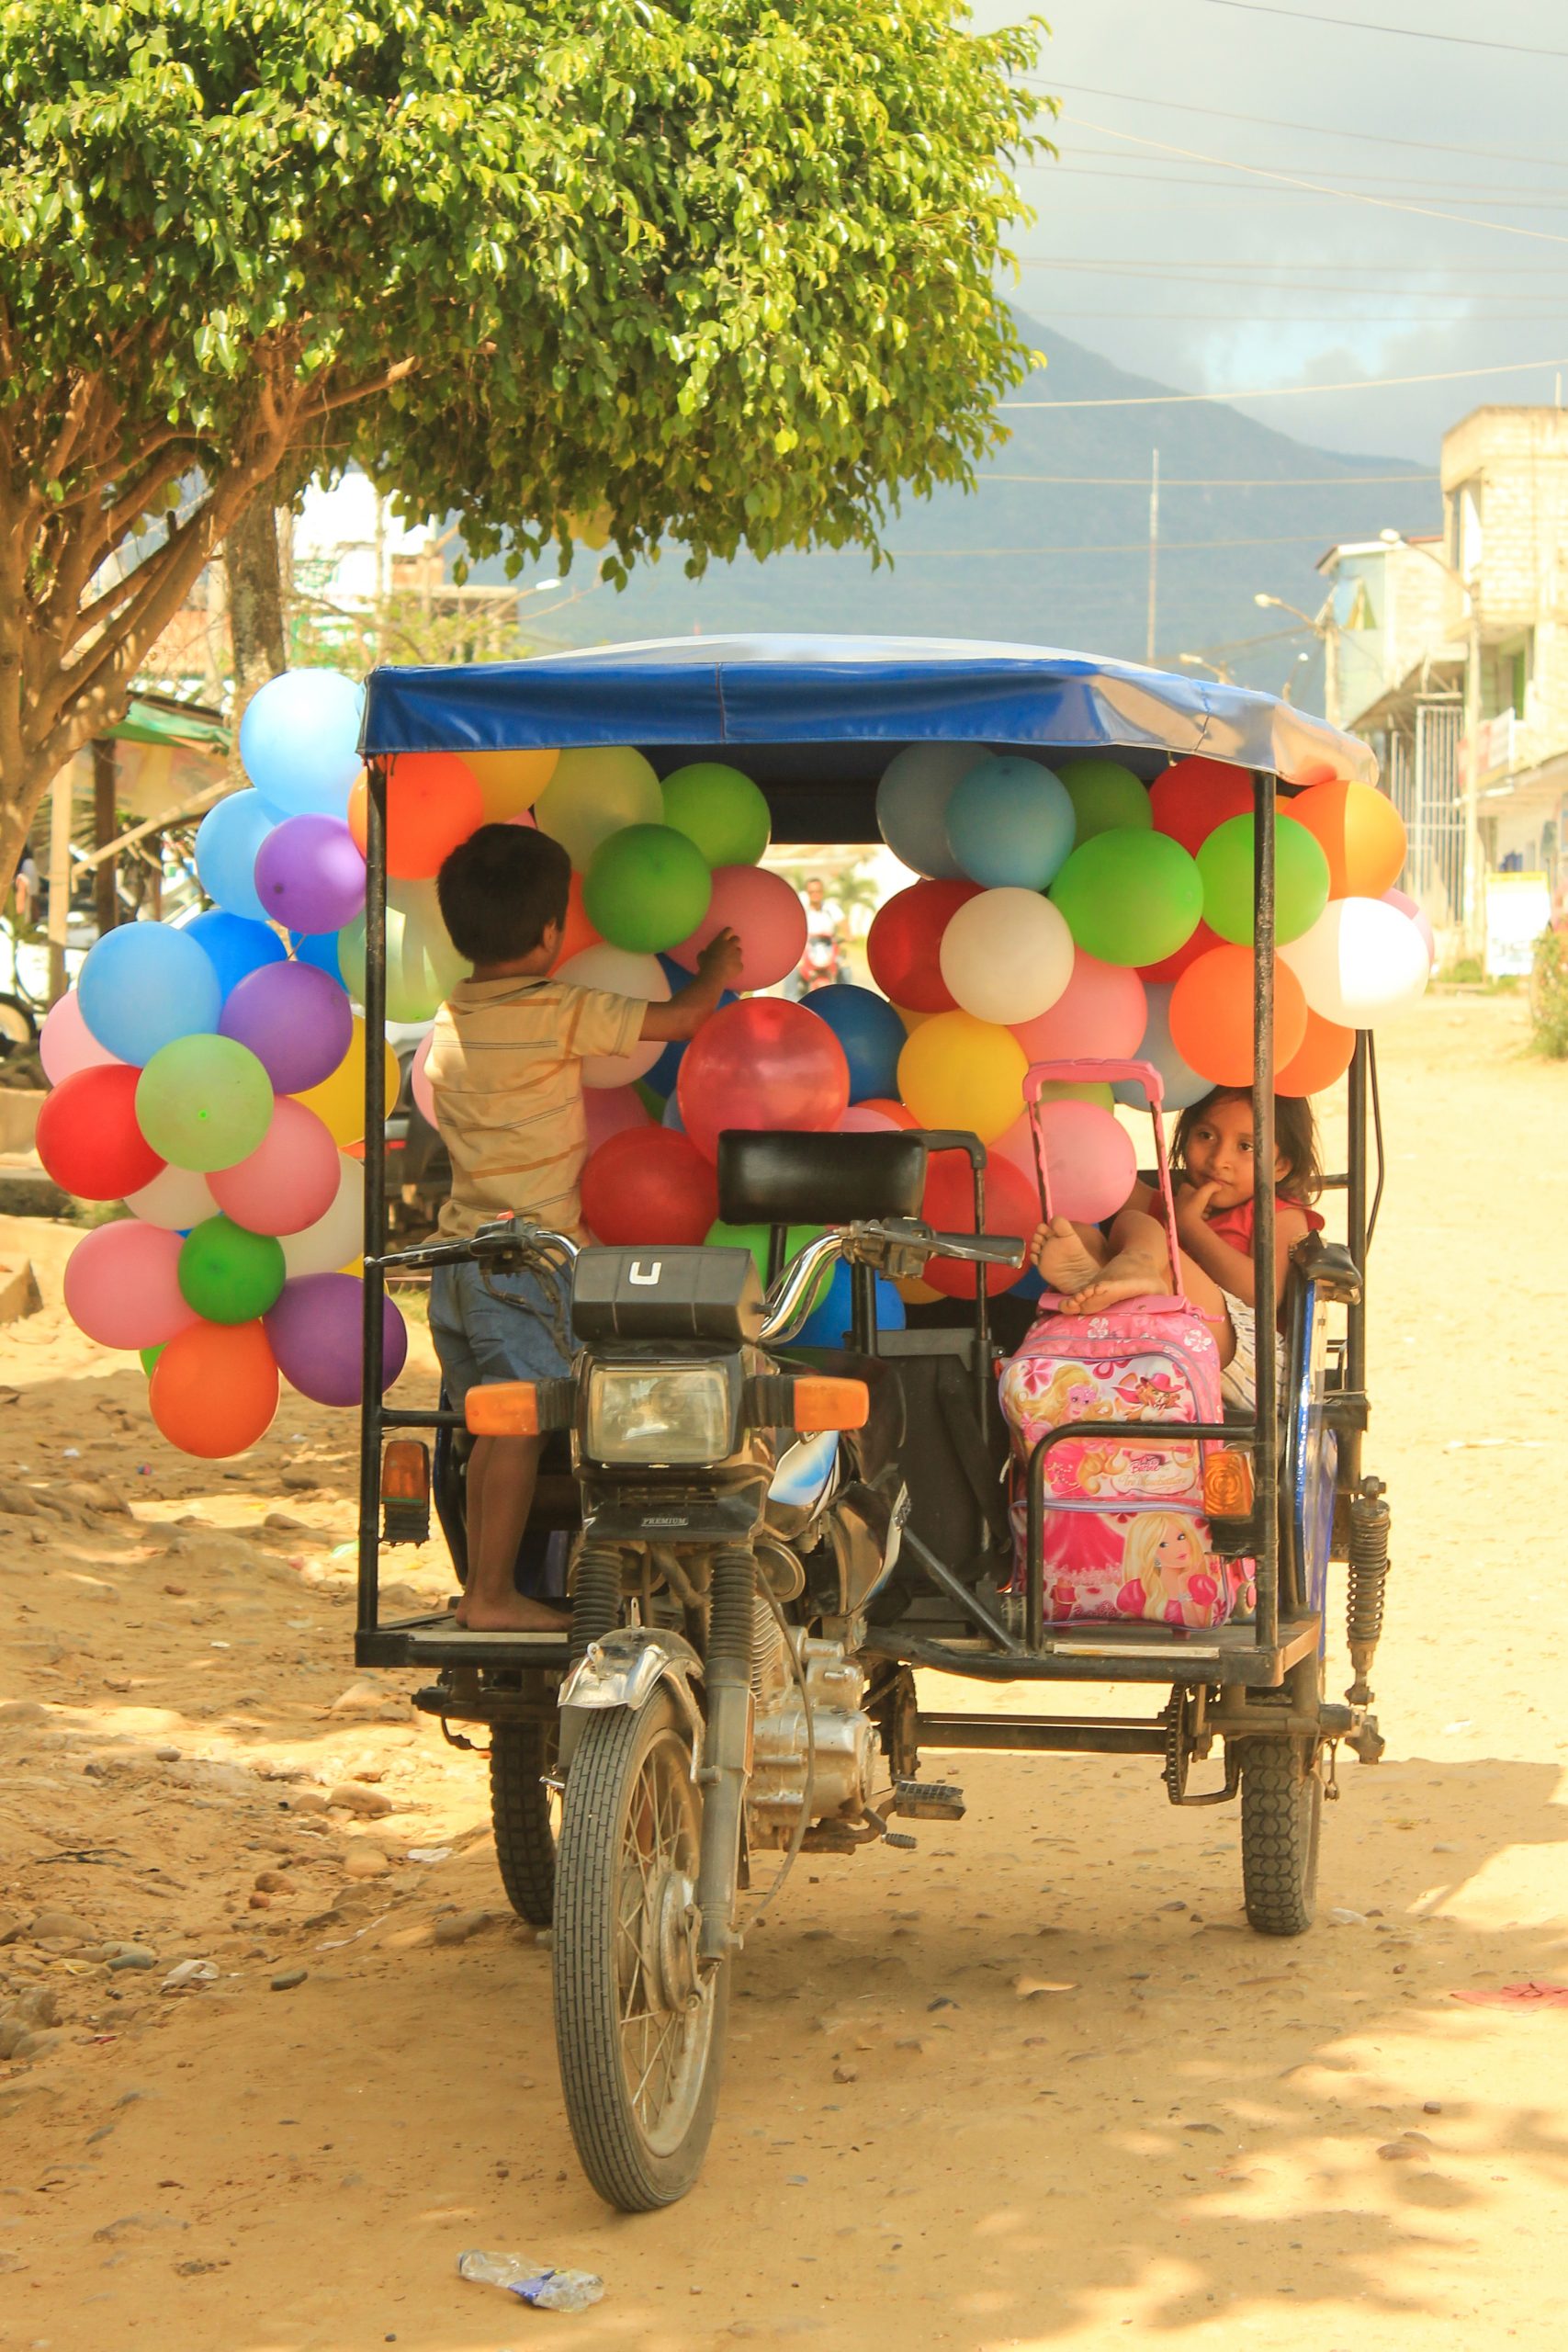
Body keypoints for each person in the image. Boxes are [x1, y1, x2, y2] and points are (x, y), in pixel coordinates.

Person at [424, 823, 743, 1630]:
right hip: (525, 1267)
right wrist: (715, 970)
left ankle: (495, 1580)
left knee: (490, 1431)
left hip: (461, 1265)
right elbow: (681, 1021)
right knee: (522, 1428)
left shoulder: (453, 1015)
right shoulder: (551, 1010)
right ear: (549, 935)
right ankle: (491, 1594)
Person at [1029, 1087, 1324, 1410]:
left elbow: (1260, 1295)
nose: (1218, 1160)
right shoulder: (1171, 1200)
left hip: (1248, 1366)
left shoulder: (1279, 1213)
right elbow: (1109, 1180)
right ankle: (1093, 1276)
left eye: (1245, 1147)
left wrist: (1187, 1225)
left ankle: (1141, 1267)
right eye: (1206, 1135)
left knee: (1157, 1242)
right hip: (1155, 1351)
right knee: (1094, 1229)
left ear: (1280, 1166)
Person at [795, 876, 846, 991]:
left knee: (845, 967)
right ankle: (791, 1002)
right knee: (794, 970)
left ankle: (847, 996)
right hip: (806, 951)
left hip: (829, 949)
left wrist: (847, 936)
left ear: (823, 892)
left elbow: (843, 923)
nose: (815, 894)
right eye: (812, 891)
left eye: (818, 891)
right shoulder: (801, 910)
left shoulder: (830, 908)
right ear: (807, 893)